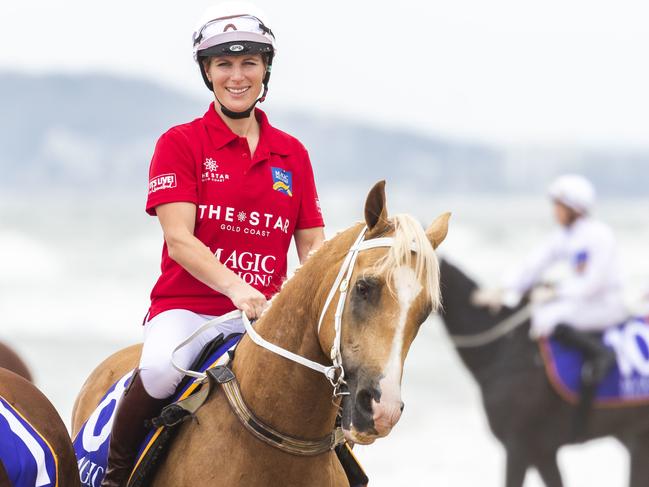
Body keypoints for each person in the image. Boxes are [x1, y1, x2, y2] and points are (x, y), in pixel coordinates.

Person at [101, 3, 325, 485]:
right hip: (189, 308)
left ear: (266, 68)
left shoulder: (293, 153)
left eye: (249, 63)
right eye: (224, 64)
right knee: (161, 371)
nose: (237, 76)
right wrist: (237, 288)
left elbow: (312, 249)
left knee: (323, 390)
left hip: (269, 316)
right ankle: (118, 476)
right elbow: (179, 241)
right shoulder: (180, 143)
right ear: (207, 72)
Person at [473, 174, 626, 387]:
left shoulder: (600, 235)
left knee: (548, 318)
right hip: (585, 300)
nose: (555, 210)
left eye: (559, 205)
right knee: (540, 313)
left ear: (575, 207)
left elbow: (594, 283)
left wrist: (556, 291)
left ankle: (603, 355)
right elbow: (533, 264)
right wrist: (503, 288)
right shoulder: (564, 236)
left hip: (606, 304)